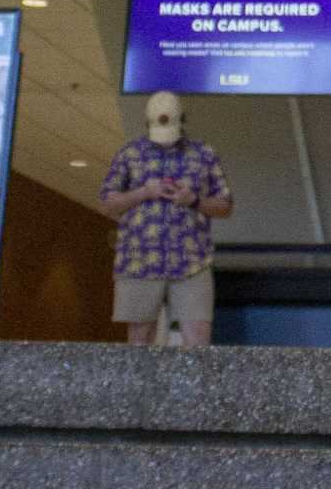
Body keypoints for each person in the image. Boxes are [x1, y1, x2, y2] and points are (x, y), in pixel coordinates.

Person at [100, 92, 234, 348]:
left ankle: (194, 387)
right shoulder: (129, 154)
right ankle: (142, 387)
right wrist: (144, 192)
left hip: (192, 259)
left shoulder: (203, 154)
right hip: (139, 258)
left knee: (198, 336)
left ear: (182, 122)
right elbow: (108, 203)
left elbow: (225, 205)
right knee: (139, 338)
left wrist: (193, 200)